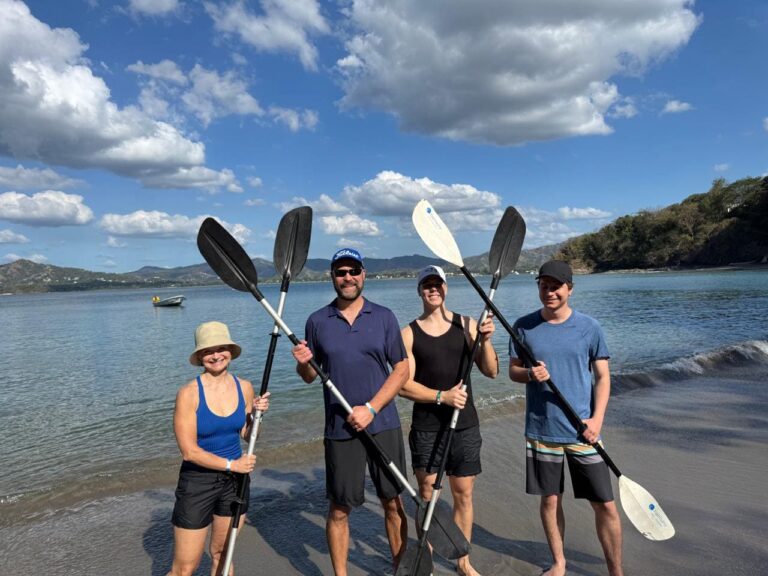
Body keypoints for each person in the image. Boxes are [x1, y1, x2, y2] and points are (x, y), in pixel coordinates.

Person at [291, 247, 409, 576]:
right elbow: (310, 376)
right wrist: (303, 364)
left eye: (353, 271)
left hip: (383, 423)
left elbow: (401, 369)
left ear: (363, 274)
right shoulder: (317, 321)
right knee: (340, 508)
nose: (348, 278)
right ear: (332, 277)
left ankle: (400, 567)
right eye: (341, 272)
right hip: (340, 429)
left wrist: (371, 408)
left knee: (392, 501)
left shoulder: (384, 316)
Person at [508, 260, 623, 576]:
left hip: (583, 430)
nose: (549, 292)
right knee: (550, 501)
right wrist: (530, 374)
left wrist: (596, 421)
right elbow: (513, 371)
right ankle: (558, 563)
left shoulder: (589, 328)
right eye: (544, 286)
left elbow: (602, 378)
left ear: (569, 288)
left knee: (604, 504)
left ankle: (616, 570)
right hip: (542, 429)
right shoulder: (523, 326)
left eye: (556, 286)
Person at [399, 265, 498, 576]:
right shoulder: (409, 333)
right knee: (427, 498)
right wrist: (442, 396)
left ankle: (462, 561)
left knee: (463, 493)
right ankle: (425, 560)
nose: (433, 289)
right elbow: (403, 385)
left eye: (438, 284)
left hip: (465, 425)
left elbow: (491, 370)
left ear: (446, 288)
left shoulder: (466, 325)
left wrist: (484, 341)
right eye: (427, 284)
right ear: (419, 290)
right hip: (427, 426)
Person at [168, 321, 270, 576]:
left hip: (235, 481)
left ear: (230, 351)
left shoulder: (244, 386)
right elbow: (189, 451)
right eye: (208, 351)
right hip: (198, 482)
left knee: (222, 556)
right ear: (200, 356)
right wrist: (231, 464)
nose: (216, 355)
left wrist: (256, 416)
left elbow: (248, 435)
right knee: (185, 568)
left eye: (221, 348)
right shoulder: (189, 393)